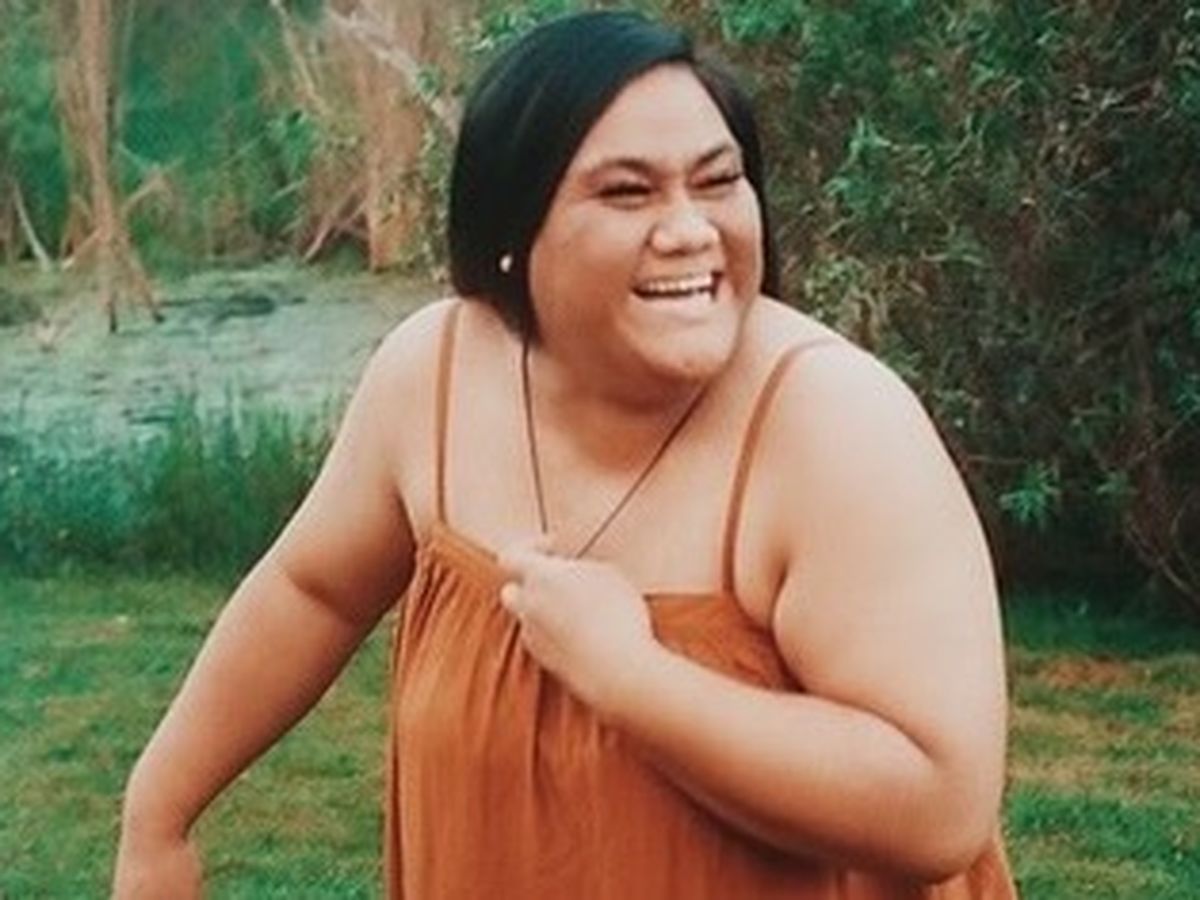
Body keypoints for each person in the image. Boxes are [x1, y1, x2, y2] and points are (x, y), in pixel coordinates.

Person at [114, 10, 1017, 899]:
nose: (690, 229)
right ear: (512, 228)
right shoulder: (435, 374)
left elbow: (940, 807)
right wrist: (158, 813)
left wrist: (630, 678)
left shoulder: (836, 426)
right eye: (628, 193)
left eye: (717, 181)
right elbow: (314, 590)